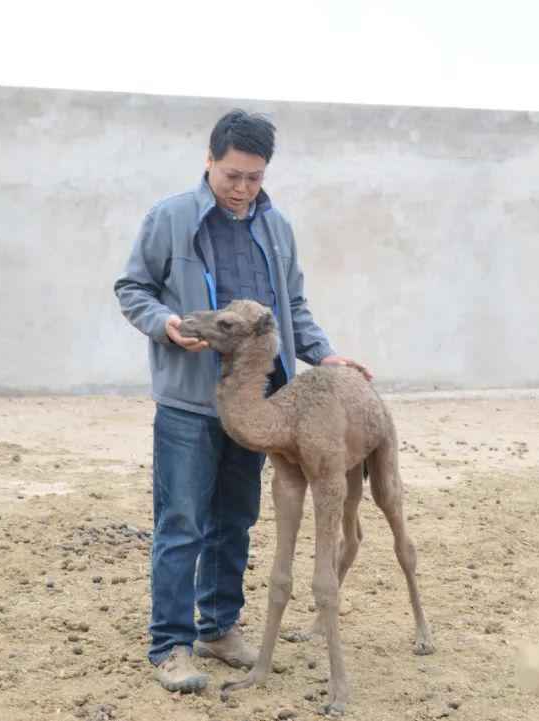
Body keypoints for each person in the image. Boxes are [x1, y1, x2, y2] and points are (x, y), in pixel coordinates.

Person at [114, 109, 371, 694]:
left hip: (263, 406)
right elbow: (132, 288)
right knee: (181, 521)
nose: (242, 187)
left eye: (254, 177)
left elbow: (292, 308)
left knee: (236, 518)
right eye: (233, 174)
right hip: (189, 399)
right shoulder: (170, 218)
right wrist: (163, 323)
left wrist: (324, 355)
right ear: (208, 160)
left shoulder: (277, 228)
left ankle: (219, 627)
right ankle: (171, 645)